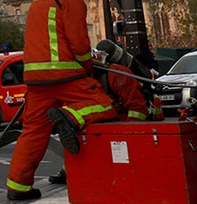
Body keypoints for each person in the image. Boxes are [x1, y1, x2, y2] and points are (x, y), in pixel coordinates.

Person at [5, 0, 118, 201]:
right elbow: (79, 46)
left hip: (36, 82)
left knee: (33, 131)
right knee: (105, 105)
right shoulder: (71, 1)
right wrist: (89, 67)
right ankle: (69, 117)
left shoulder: (37, 2)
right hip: (66, 76)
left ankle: (18, 187)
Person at [47, 44, 155, 185]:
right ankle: (68, 170)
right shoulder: (79, 82)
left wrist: (128, 134)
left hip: (128, 119)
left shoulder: (116, 74)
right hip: (107, 121)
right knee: (80, 134)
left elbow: (138, 108)